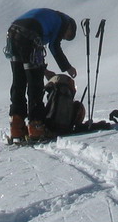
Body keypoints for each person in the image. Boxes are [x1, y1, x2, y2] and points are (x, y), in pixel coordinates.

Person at [5, 8, 78, 141]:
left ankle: (16, 126)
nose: (63, 36)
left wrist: (43, 71)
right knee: (35, 85)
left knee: (19, 81)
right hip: (31, 33)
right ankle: (36, 126)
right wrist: (67, 67)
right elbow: (54, 46)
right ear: (70, 27)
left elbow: (32, 58)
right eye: (66, 35)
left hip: (13, 33)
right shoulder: (63, 21)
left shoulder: (49, 16)